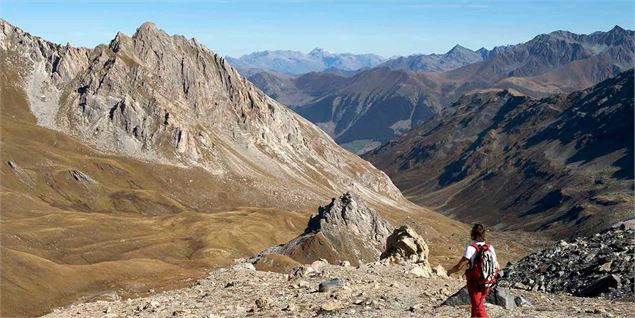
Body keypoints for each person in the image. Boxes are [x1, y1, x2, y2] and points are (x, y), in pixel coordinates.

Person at [447, 224, 499, 318]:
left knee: (478, 306)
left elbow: (459, 266)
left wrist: (449, 272)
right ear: (483, 234)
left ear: (472, 234)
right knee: (477, 304)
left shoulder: (471, 248)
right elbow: (496, 265)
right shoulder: (490, 247)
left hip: (475, 282)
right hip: (487, 281)